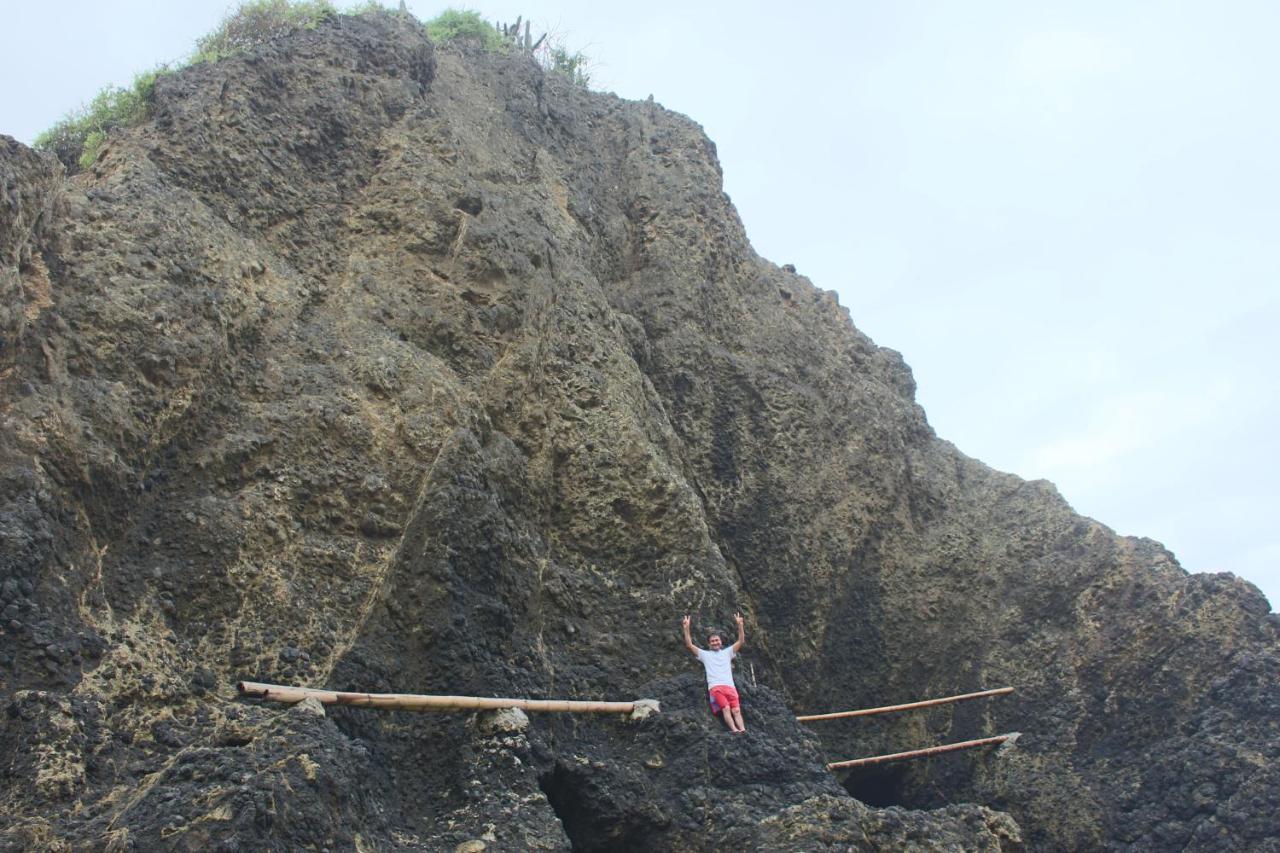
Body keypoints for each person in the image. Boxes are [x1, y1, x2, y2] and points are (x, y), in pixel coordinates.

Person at [682, 612, 746, 733]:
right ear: (709, 644)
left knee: (736, 710)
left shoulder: (728, 652)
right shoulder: (705, 655)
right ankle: (734, 730)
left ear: (721, 642)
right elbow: (689, 645)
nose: (715, 642)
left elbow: (741, 641)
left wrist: (740, 625)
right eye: (712, 641)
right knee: (726, 708)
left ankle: (742, 729)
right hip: (716, 687)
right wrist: (686, 628)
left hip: (730, 687)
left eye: (717, 640)